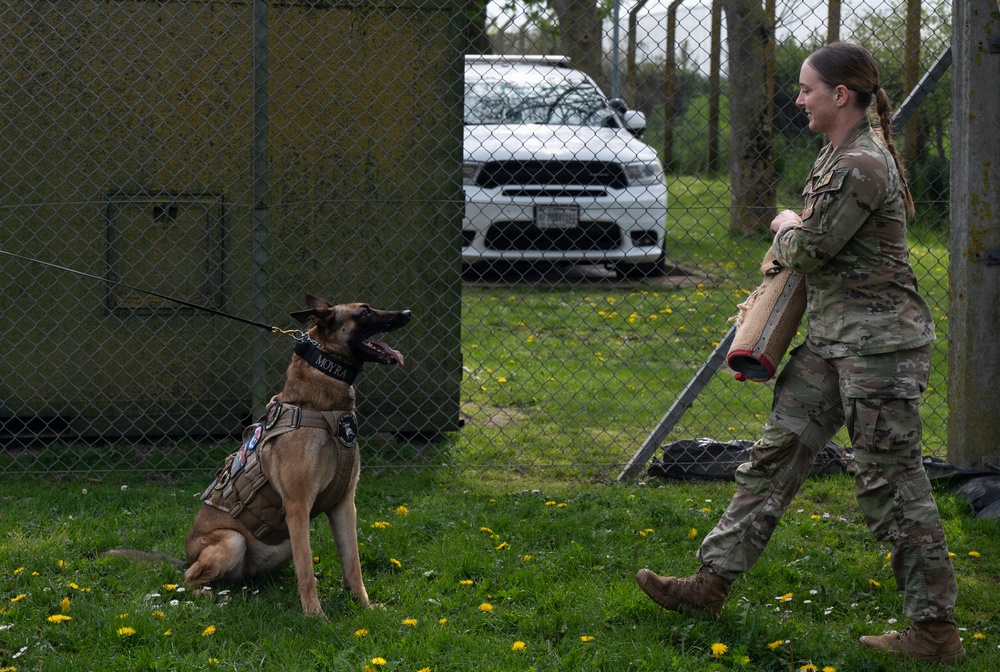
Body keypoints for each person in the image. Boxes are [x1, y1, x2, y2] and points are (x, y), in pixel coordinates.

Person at [636, 42, 965, 665]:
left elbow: (811, 250)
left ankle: (934, 634)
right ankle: (709, 585)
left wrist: (786, 225)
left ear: (841, 96)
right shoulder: (836, 154)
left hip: (880, 350)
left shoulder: (862, 163)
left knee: (891, 482)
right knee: (775, 455)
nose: (799, 99)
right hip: (832, 338)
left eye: (807, 89)